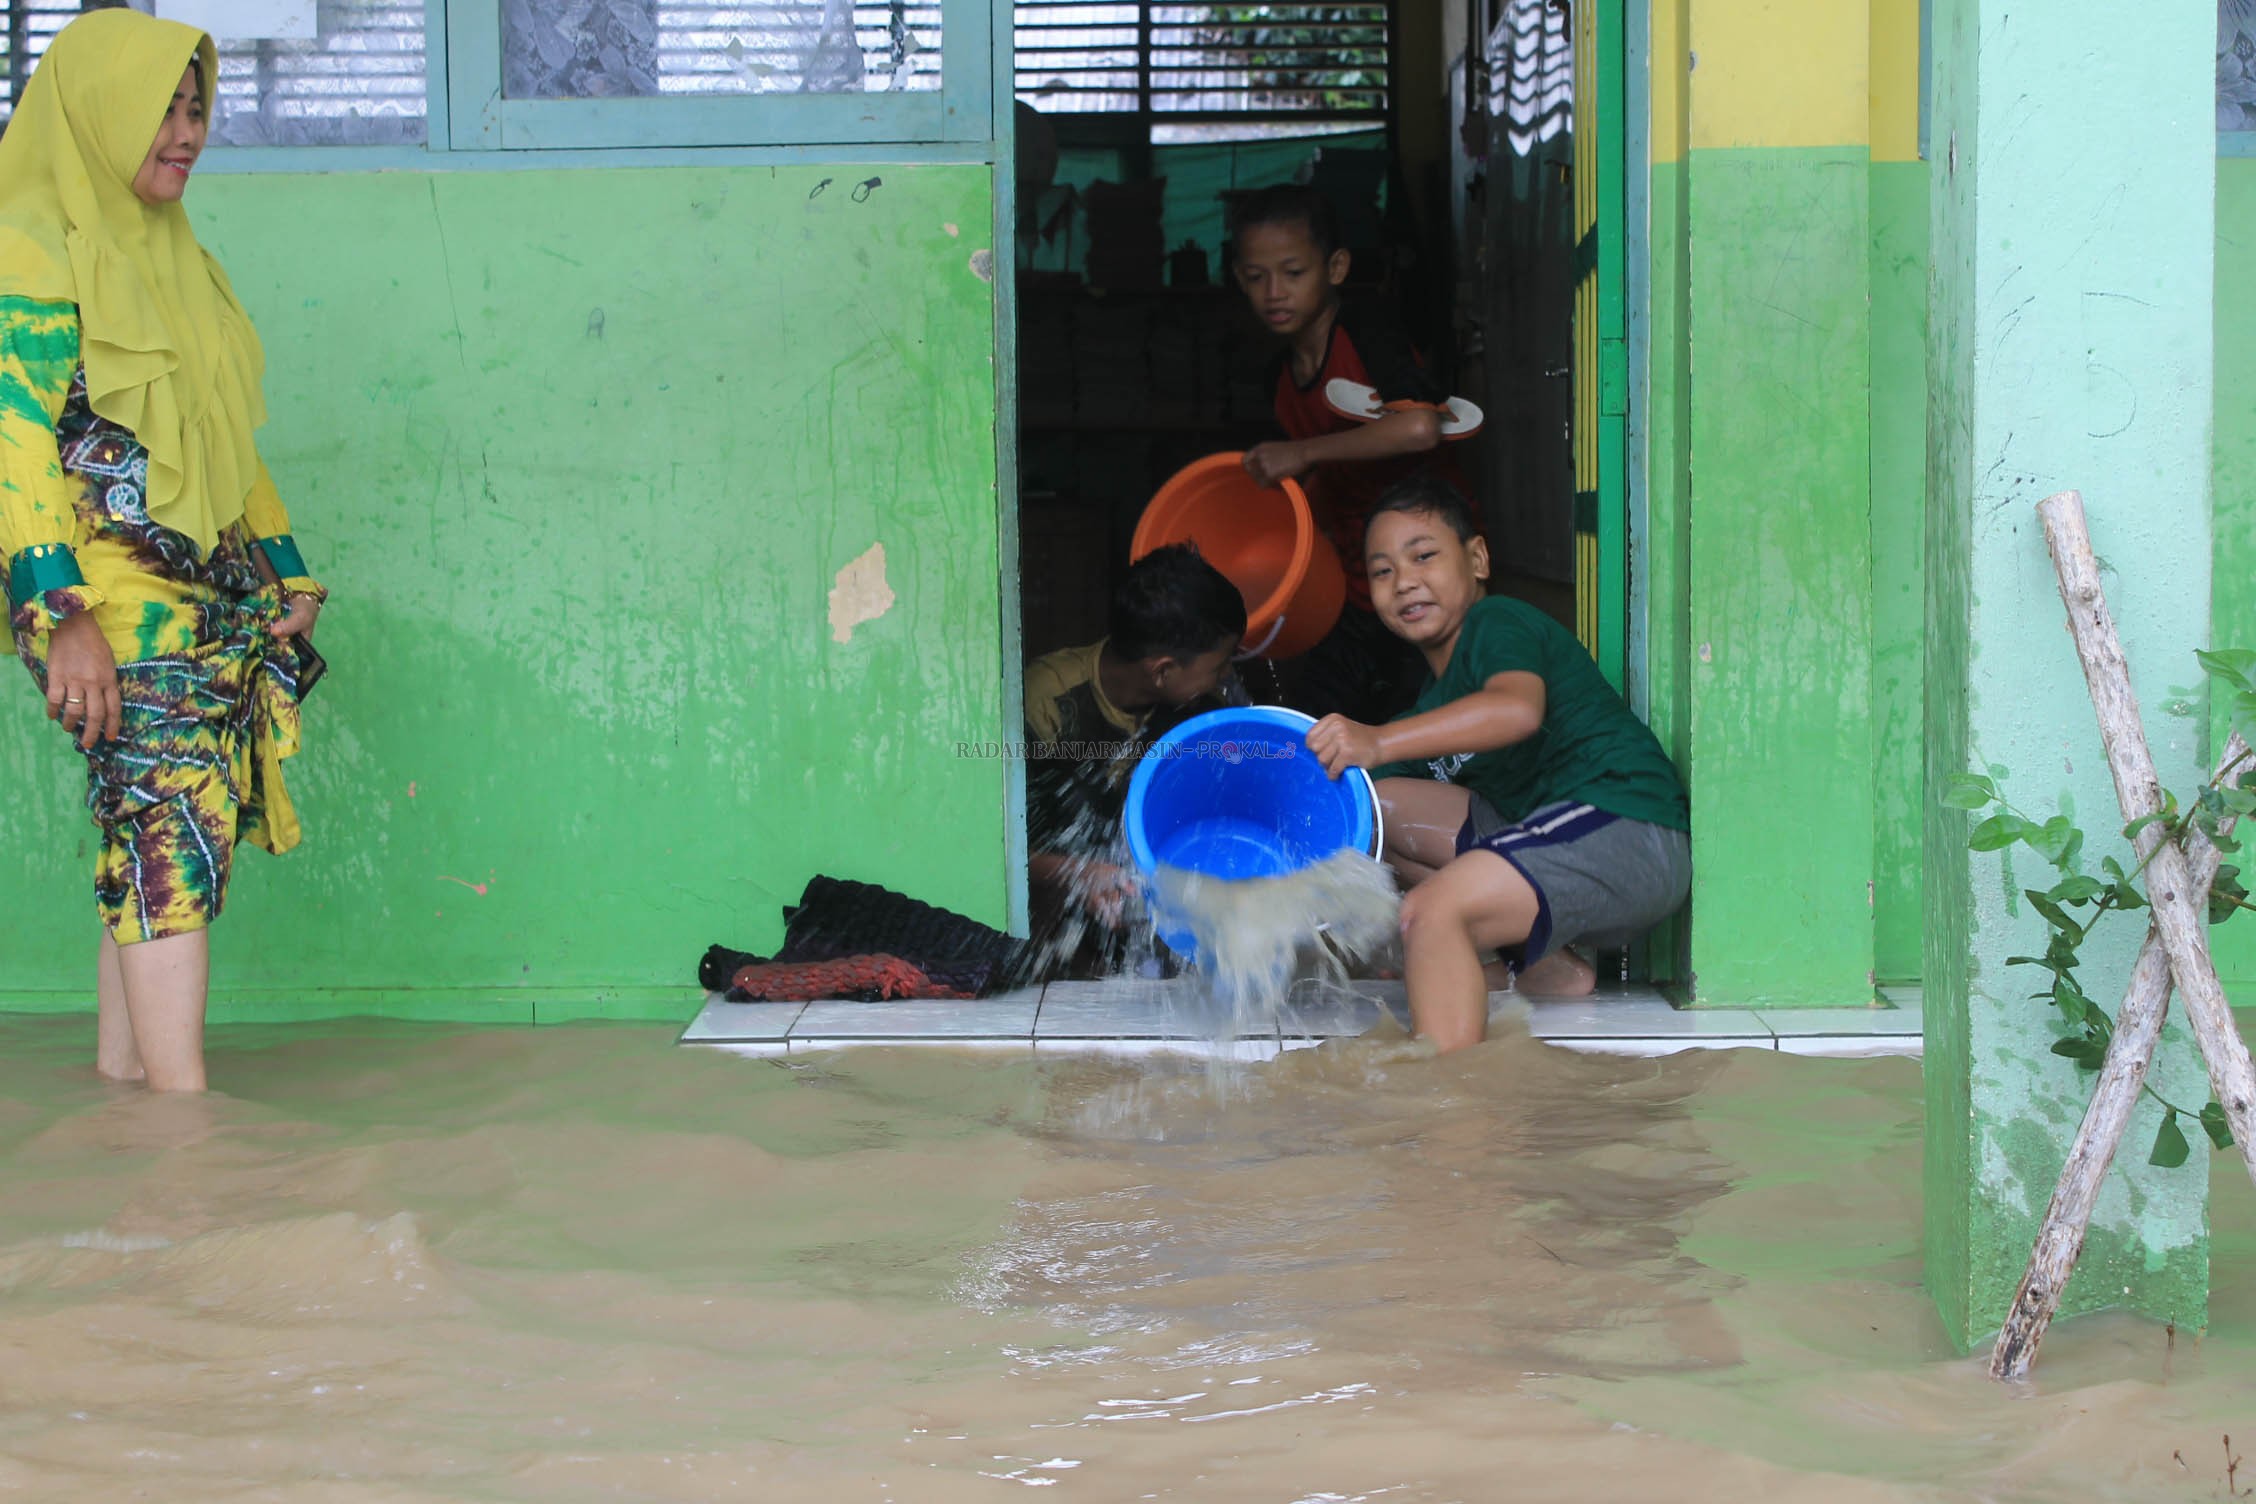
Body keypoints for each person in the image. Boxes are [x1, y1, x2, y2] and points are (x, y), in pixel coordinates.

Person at [0, 11, 329, 1093]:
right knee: (170, 837)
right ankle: (187, 1134)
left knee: (152, 835)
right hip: (103, 600)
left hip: (202, 593)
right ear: (99, 114)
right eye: (162, 109)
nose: (188, 132)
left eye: (196, 108)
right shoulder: (28, 249)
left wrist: (285, 572)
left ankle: (124, 1100)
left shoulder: (177, 256)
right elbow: (10, 439)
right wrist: (61, 616)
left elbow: (226, 440)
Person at [1305, 475, 1689, 1053]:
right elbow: (1352, 806)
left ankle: (1450, 1101)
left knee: (1433, 912)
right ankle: (1546, 968)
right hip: (1551, 843)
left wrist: (1377, 741)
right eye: (1382, 571)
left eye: (1424, 556)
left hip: (1626, 828)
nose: (1404, 581)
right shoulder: (1432, 710)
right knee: (1369, 811)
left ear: (1478, 559)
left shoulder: (1497, 622)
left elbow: (1515, 710)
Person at [1227, 183, 1476, 726]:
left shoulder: (1366, 332)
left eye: (1294, 272)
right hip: (1357, 589)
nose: (1274, 292)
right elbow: (1321, 482)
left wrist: (1303, 453)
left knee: (1426, 726)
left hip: (1429, 577)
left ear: (1335, 267)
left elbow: (1421, 427)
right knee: (1314, 725)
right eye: (1256, 277)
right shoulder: (1278, 380)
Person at [1023, 543, 1246, 971]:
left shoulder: (1203, 710)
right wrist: (1077, 873)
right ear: (1162, 671)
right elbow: (988, 846)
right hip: (1054, 892)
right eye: (1220, 665)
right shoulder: (1048, 704)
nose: (1227, 676)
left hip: (1143, 890)